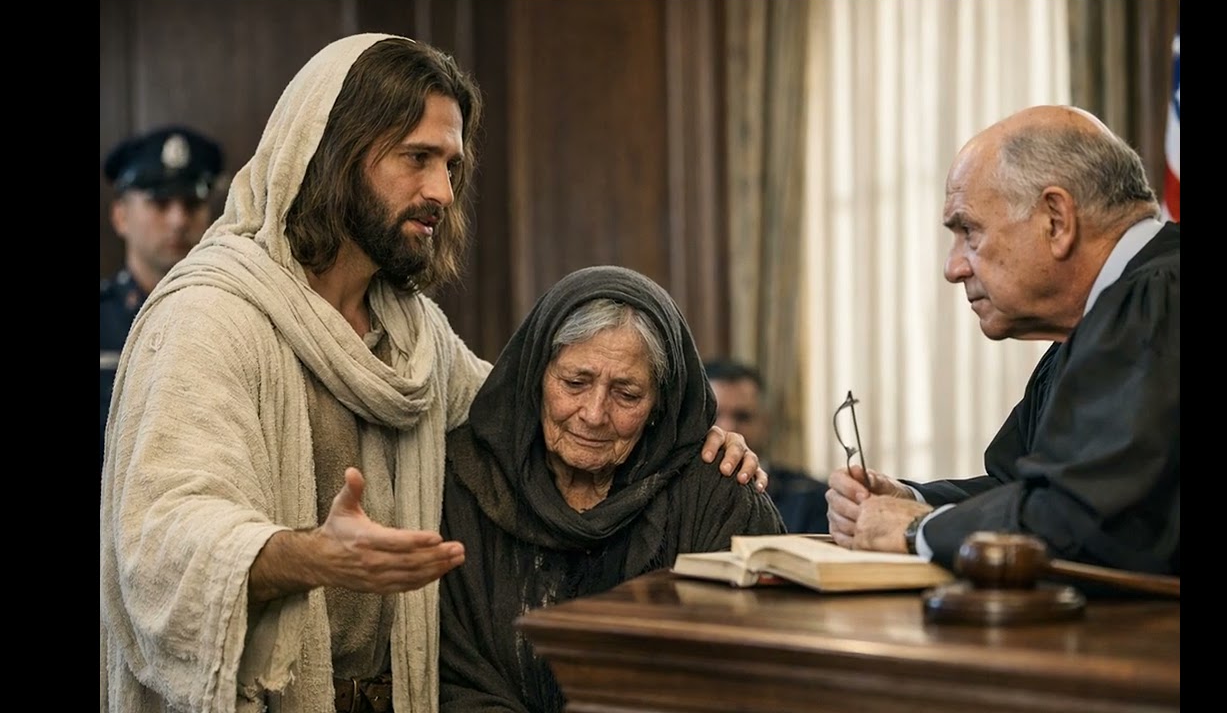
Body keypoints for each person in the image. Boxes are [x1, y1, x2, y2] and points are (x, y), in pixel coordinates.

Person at [99, 34, 765, 713]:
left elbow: (527, 419)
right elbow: (158, 543)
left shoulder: (415, 335)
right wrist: (311, 557)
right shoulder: (211, 316)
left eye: (451, 164)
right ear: (332, 154)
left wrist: (693, 443)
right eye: (416, 159)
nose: (442, 190)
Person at [826, 105, 1179, 580]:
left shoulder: (1157, 302)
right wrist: (911, 500)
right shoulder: (1102, 318)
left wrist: (918, 532)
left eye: (968, 231)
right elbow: (1020, 488)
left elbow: (1083, 522)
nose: (954, 268)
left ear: (1056, 220)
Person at [438, 266, 785, 711]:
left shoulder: (717, 494)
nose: (594, 413)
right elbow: (452, 673)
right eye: (575, 383)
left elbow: (757, 671)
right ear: (536, 378)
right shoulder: (465, 483)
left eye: (627, 393)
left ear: (661, 402)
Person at [99, 125, 225, 467]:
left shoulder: (226, 320)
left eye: (192, 203)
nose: (178, 220)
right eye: (160, 203)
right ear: (121, 216)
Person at [704, 358, 829, 533]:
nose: (729, 428)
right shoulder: (673, 498)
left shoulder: (811, 498)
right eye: (714, 416)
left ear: (765, 423)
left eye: (742, 417)